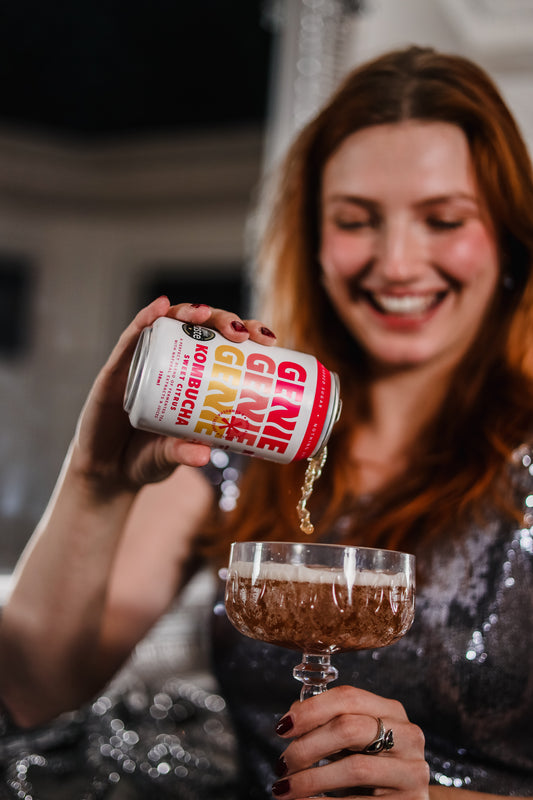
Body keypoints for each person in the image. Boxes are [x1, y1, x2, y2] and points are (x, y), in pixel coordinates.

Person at [0, 44, 532, 799]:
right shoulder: (244, 437)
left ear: (509, 237)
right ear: (313, 241)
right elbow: (32, 689)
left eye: (443, 219)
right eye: (355, 220)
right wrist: (96, 481)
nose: (396, 262)